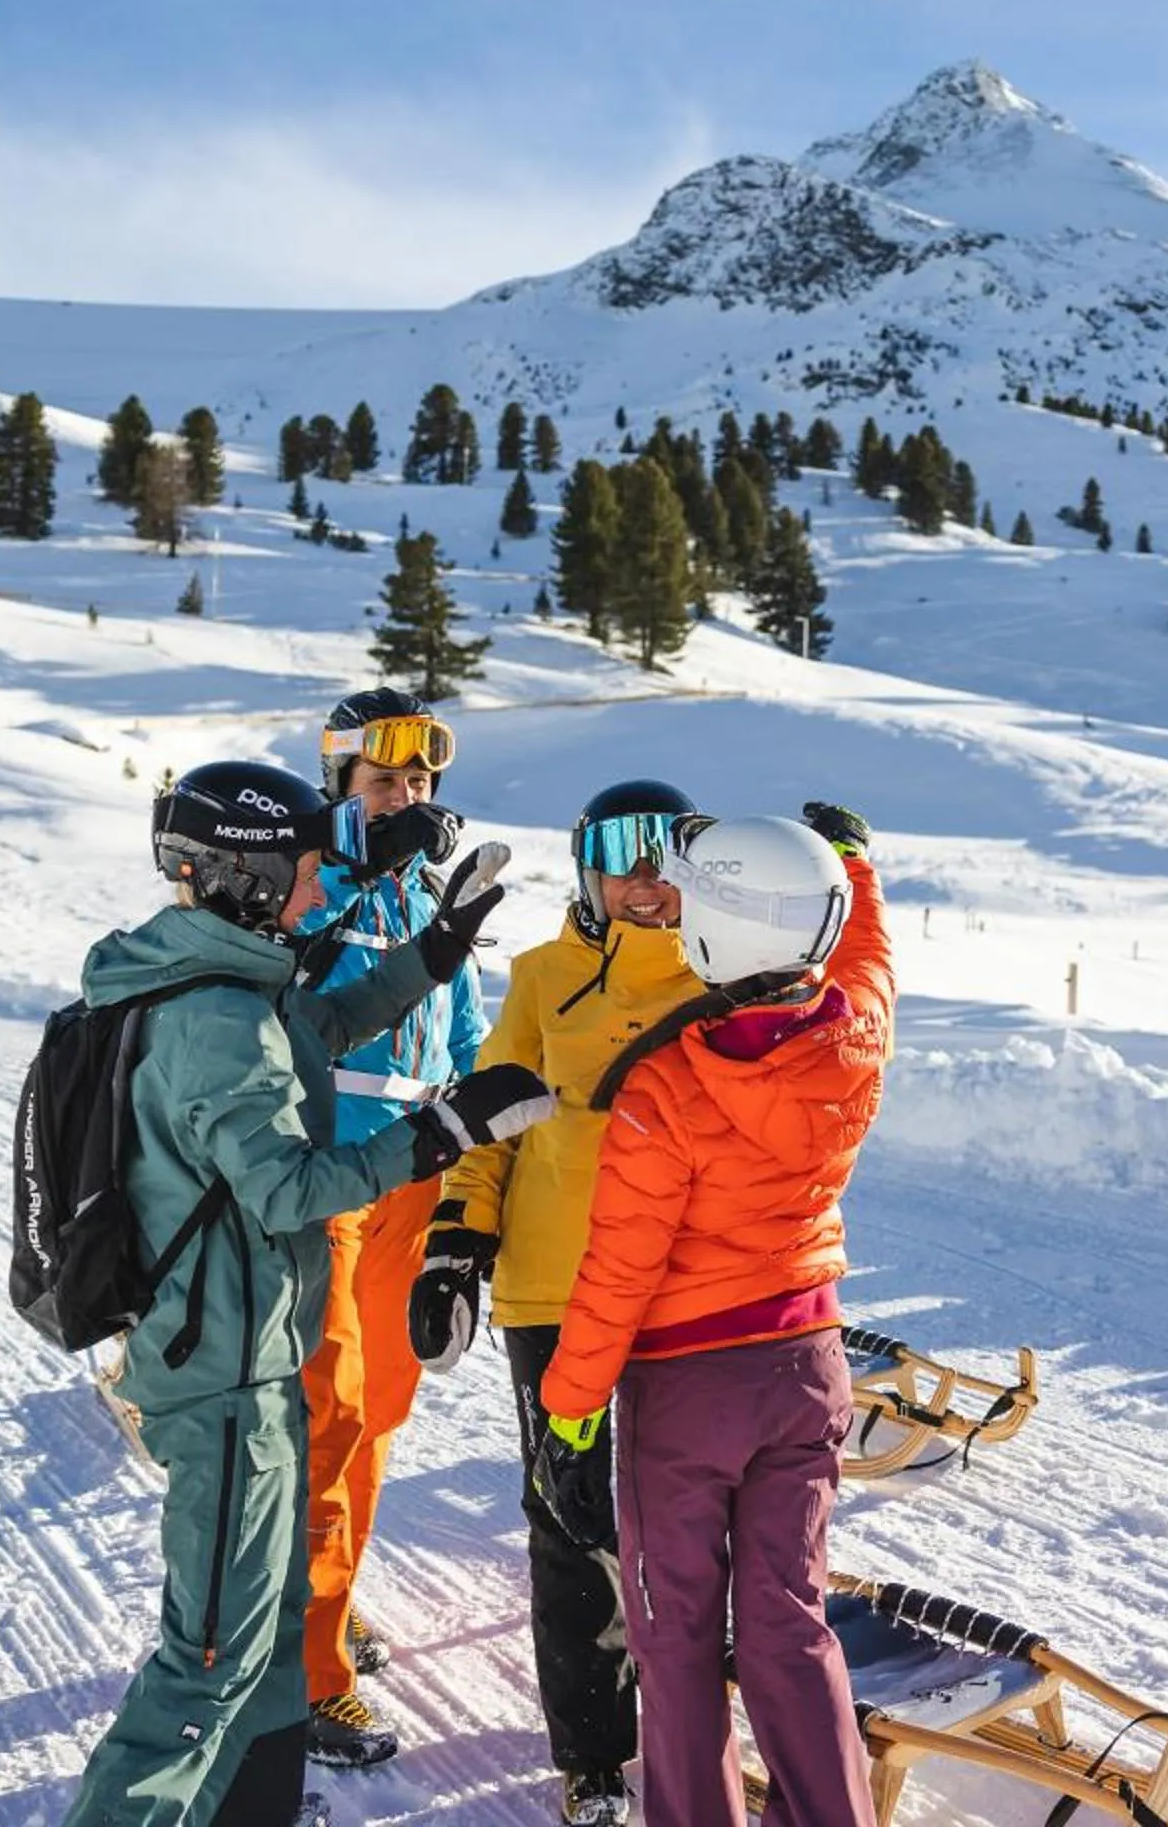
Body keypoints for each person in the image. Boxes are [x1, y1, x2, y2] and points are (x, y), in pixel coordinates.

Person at [62, 760, 552, 1827]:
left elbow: (317, 1029)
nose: (317, 889)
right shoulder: (216, 1020)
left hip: (256, 1359)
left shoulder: (226, 983)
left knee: (271, 1626)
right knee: (208, 1665)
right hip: (227, 1377)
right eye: (304, 870)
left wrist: (437, 952)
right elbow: (287, 1184)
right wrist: (442, 1134)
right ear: (245, 873)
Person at [532, 803, 890, 1827]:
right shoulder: (854, 1032)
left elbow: (620, 1267)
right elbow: (868, 957)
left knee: (676, 1633)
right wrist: (855, 869)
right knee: (790, 1619)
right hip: (806, 1366)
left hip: (688, 1390)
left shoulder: (666, 1086)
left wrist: (569, 1403)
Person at [409, 778, 706, 1827]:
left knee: (686, 1517)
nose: (645, 876)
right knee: (572, 1518)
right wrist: (455, 1242)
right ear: (585, 863)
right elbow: (489, 1120)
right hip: (554, 1290)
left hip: (688, 1296)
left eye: (669, 851)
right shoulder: (542, 977)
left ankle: (694, 1721)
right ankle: (594, 1756)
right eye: (621, 852)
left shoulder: (727, 975)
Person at [291, 689, 490, 1770]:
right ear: (340, 788)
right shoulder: (311, 873)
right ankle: (309, 1669)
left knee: (383, 1411)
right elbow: (285, 974)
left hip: (411, 1177)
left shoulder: (430, 891)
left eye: (420, 780)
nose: (408, 796)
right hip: (324, 1176)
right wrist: (355, 865)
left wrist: (468, 1199)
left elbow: (460, 1035)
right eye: (383, 779)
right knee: (332, 1407)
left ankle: (326, 1605)